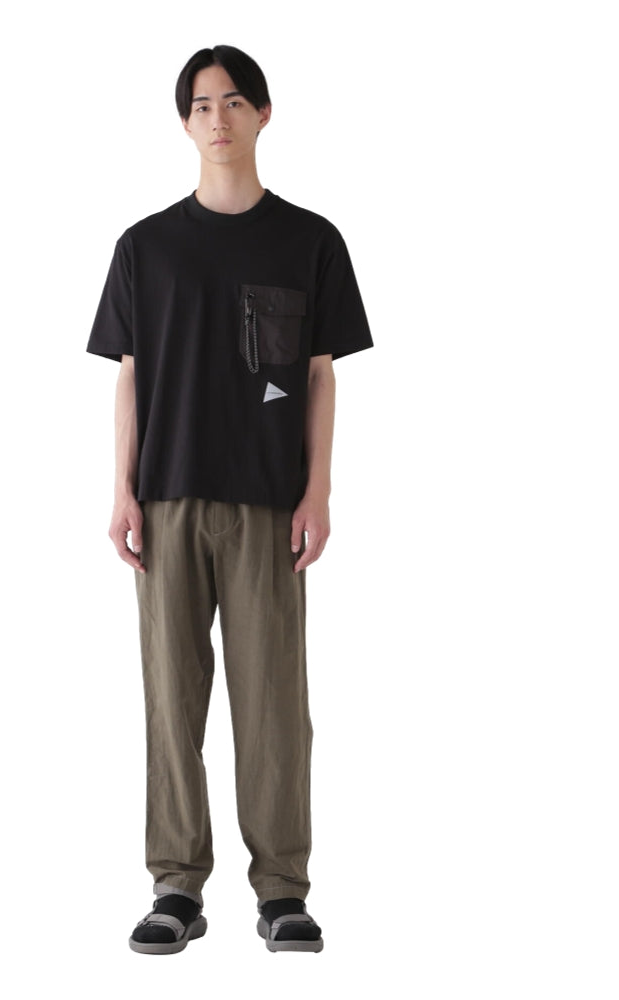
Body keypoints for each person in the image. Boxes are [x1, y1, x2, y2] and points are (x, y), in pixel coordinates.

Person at [86, 44, 373, 955]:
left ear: (264, 114)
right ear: (185, 122)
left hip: (267, 502)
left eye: (236, 101)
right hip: (167, 496)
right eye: (204, 104)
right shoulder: (145, 247)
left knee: (274, 701)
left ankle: (282, 890)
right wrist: (122, 489)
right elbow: (130, 375)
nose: (220, 118)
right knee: (171, 699)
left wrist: (318, 490)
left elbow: (319, 376)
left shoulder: (310, 241)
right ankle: (176, 883)